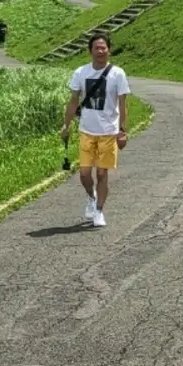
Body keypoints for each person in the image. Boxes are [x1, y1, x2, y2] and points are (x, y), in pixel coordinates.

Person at [60, 32, 130, 227]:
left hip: (108, 131)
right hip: (86, 130)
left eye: (103, 48)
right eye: (96, 48)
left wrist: (123, 130)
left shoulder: (118, 74)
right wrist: (66, 125)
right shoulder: (80, 72)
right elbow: (74, 101)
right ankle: (91, 197)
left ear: (109, 50)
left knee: (101, 173)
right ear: (90, 51)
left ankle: (99, 210)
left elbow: (123, 104)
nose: (100, 51)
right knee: (84, 174)